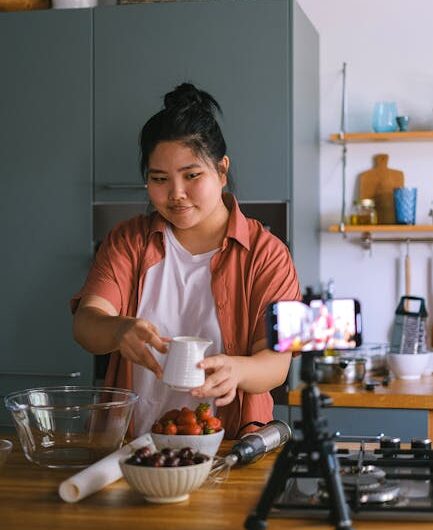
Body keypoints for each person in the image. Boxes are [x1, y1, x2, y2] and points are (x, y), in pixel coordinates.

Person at [71, 83, 301, 439]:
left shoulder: (267, 254)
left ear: (222, 171)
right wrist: (118, 331)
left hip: (230, 445)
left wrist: (238, 372)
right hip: (132, 445)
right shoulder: (127, 241)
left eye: (192, 176)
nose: (176, 194)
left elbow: (277, 363)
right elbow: (86, 323)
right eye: (159, 179)